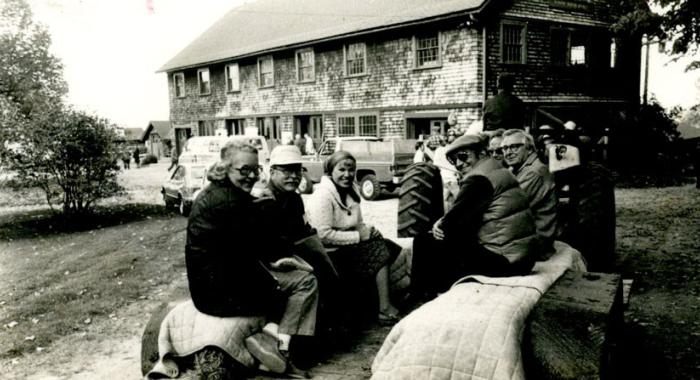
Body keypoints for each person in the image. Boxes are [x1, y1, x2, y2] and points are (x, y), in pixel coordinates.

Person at [185, 141, 318, 378]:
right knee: (305, 282)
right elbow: (263, 245)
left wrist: (256, 204)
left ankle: (268, 338)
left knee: (282, 276)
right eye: (243, 170)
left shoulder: (216, 192)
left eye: (255, 170)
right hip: (221, 293)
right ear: (225, 167)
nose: (251, 176)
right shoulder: (231, 202)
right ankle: (281, 351)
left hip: (210, 284)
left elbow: (243, 241)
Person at [410, 133, 539, 299]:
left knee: (423, 242)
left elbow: (451, 225)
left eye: (463, 157)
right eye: (453, 160)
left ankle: (420, 297)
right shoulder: (499, 169)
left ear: (481, 153)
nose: (458, 164)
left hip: (506, 261)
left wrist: (440, 224)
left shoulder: (478, 179)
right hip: (523, 257)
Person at [256, 145, 345, 349]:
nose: (293, 176)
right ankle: (286, 343)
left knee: (332, 273)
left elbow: (303, 232)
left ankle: (321, 335)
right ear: (273, 172)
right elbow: (262, 246)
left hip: (292, 257)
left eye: (297, 170)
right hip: (269, 263)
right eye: (286, 171)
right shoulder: (263, 201)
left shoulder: (294, 199)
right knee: (310, 279)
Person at [307, 151, 402, 325]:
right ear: (330, 171)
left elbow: (357, 223)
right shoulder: (323, 195)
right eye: (341, 169)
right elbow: (323, 235)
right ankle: (384, 308)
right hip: (328, 253)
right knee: (379, 250)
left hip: (346, 247)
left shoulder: (351, 191)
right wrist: (359, 236)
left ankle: (375, 301)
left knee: (387, 245)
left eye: (351, 170)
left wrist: (369, 231)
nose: (347, 174)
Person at [501, 129, 558, 251]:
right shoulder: (519, 169)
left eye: (514, 147)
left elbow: (507, 206)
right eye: (505, 148)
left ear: (530, 148)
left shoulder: (534, 171)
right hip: (523, 238)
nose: (508, 153)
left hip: (534, 244)